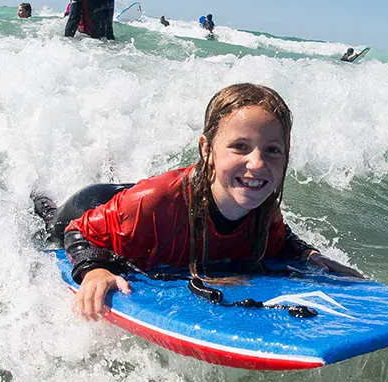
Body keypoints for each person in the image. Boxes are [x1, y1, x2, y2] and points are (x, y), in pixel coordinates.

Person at [36, 83, 362, 320]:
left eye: (273, 150)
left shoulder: (262, 208)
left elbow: (281, 240)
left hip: (138, 210)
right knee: (48, 224)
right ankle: (38, 195)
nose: (258, 163)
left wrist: (311, 256)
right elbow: (79, 231)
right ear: (207, 149)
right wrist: (93, 269)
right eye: (240, 147)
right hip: (92, 207)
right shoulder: (156, 202)